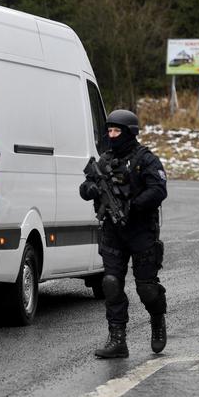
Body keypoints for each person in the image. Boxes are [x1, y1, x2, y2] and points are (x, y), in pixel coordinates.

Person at [79, 108, 168, 358]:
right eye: (109, 130)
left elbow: (159, 189)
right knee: (111, 284)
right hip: (113, 232)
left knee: (147, 288)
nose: (112, 135)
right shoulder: (104, 160)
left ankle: (158, 320)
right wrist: (92, 190)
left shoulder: (145, 159)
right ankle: (118, 340)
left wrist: (135, 205)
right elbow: (85, 186)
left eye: (117, 130)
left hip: (141, 231)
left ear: (130, 133)